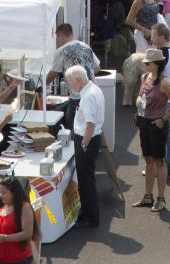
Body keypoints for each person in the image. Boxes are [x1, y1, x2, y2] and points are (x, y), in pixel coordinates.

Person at [136, 48, 170, 212]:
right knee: (148, 160)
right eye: (145, 63)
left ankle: (161, 198)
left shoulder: (164, 83)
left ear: (156, 64)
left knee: (159, 161)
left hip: (157, 125)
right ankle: (148, 196)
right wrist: (138, 101)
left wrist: (163, 119)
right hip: (144, 122)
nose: (146, 65)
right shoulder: (144, 77)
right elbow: (141, 95)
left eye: (148, 63)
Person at [67, 66, 105, 227]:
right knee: (86, 179)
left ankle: (90, 217)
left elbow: (90, 123)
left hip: (87, 140)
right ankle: (87, 214)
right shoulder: (93, 89)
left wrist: (83, 144)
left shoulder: (88, 96)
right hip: (90, 138)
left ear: (79, 79)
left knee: (86, 180)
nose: (70, 84)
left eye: (70, 81)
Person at [0, 176, 36, 264]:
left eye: (4, 193)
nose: (1, 196)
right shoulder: (3, 207)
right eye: (0, 193)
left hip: (18, 260)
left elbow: (27, 234)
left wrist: (4, 238)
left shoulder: (25, 207)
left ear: (14, 193)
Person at [47, 23, 98, 93]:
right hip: (93, 90)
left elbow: (53, 74)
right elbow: (97, 68)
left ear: (62, 35)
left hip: (78, 95)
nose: (58, 40)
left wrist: (44, 84)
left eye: (58, 37)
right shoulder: (86, 46)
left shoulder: (61, 51)